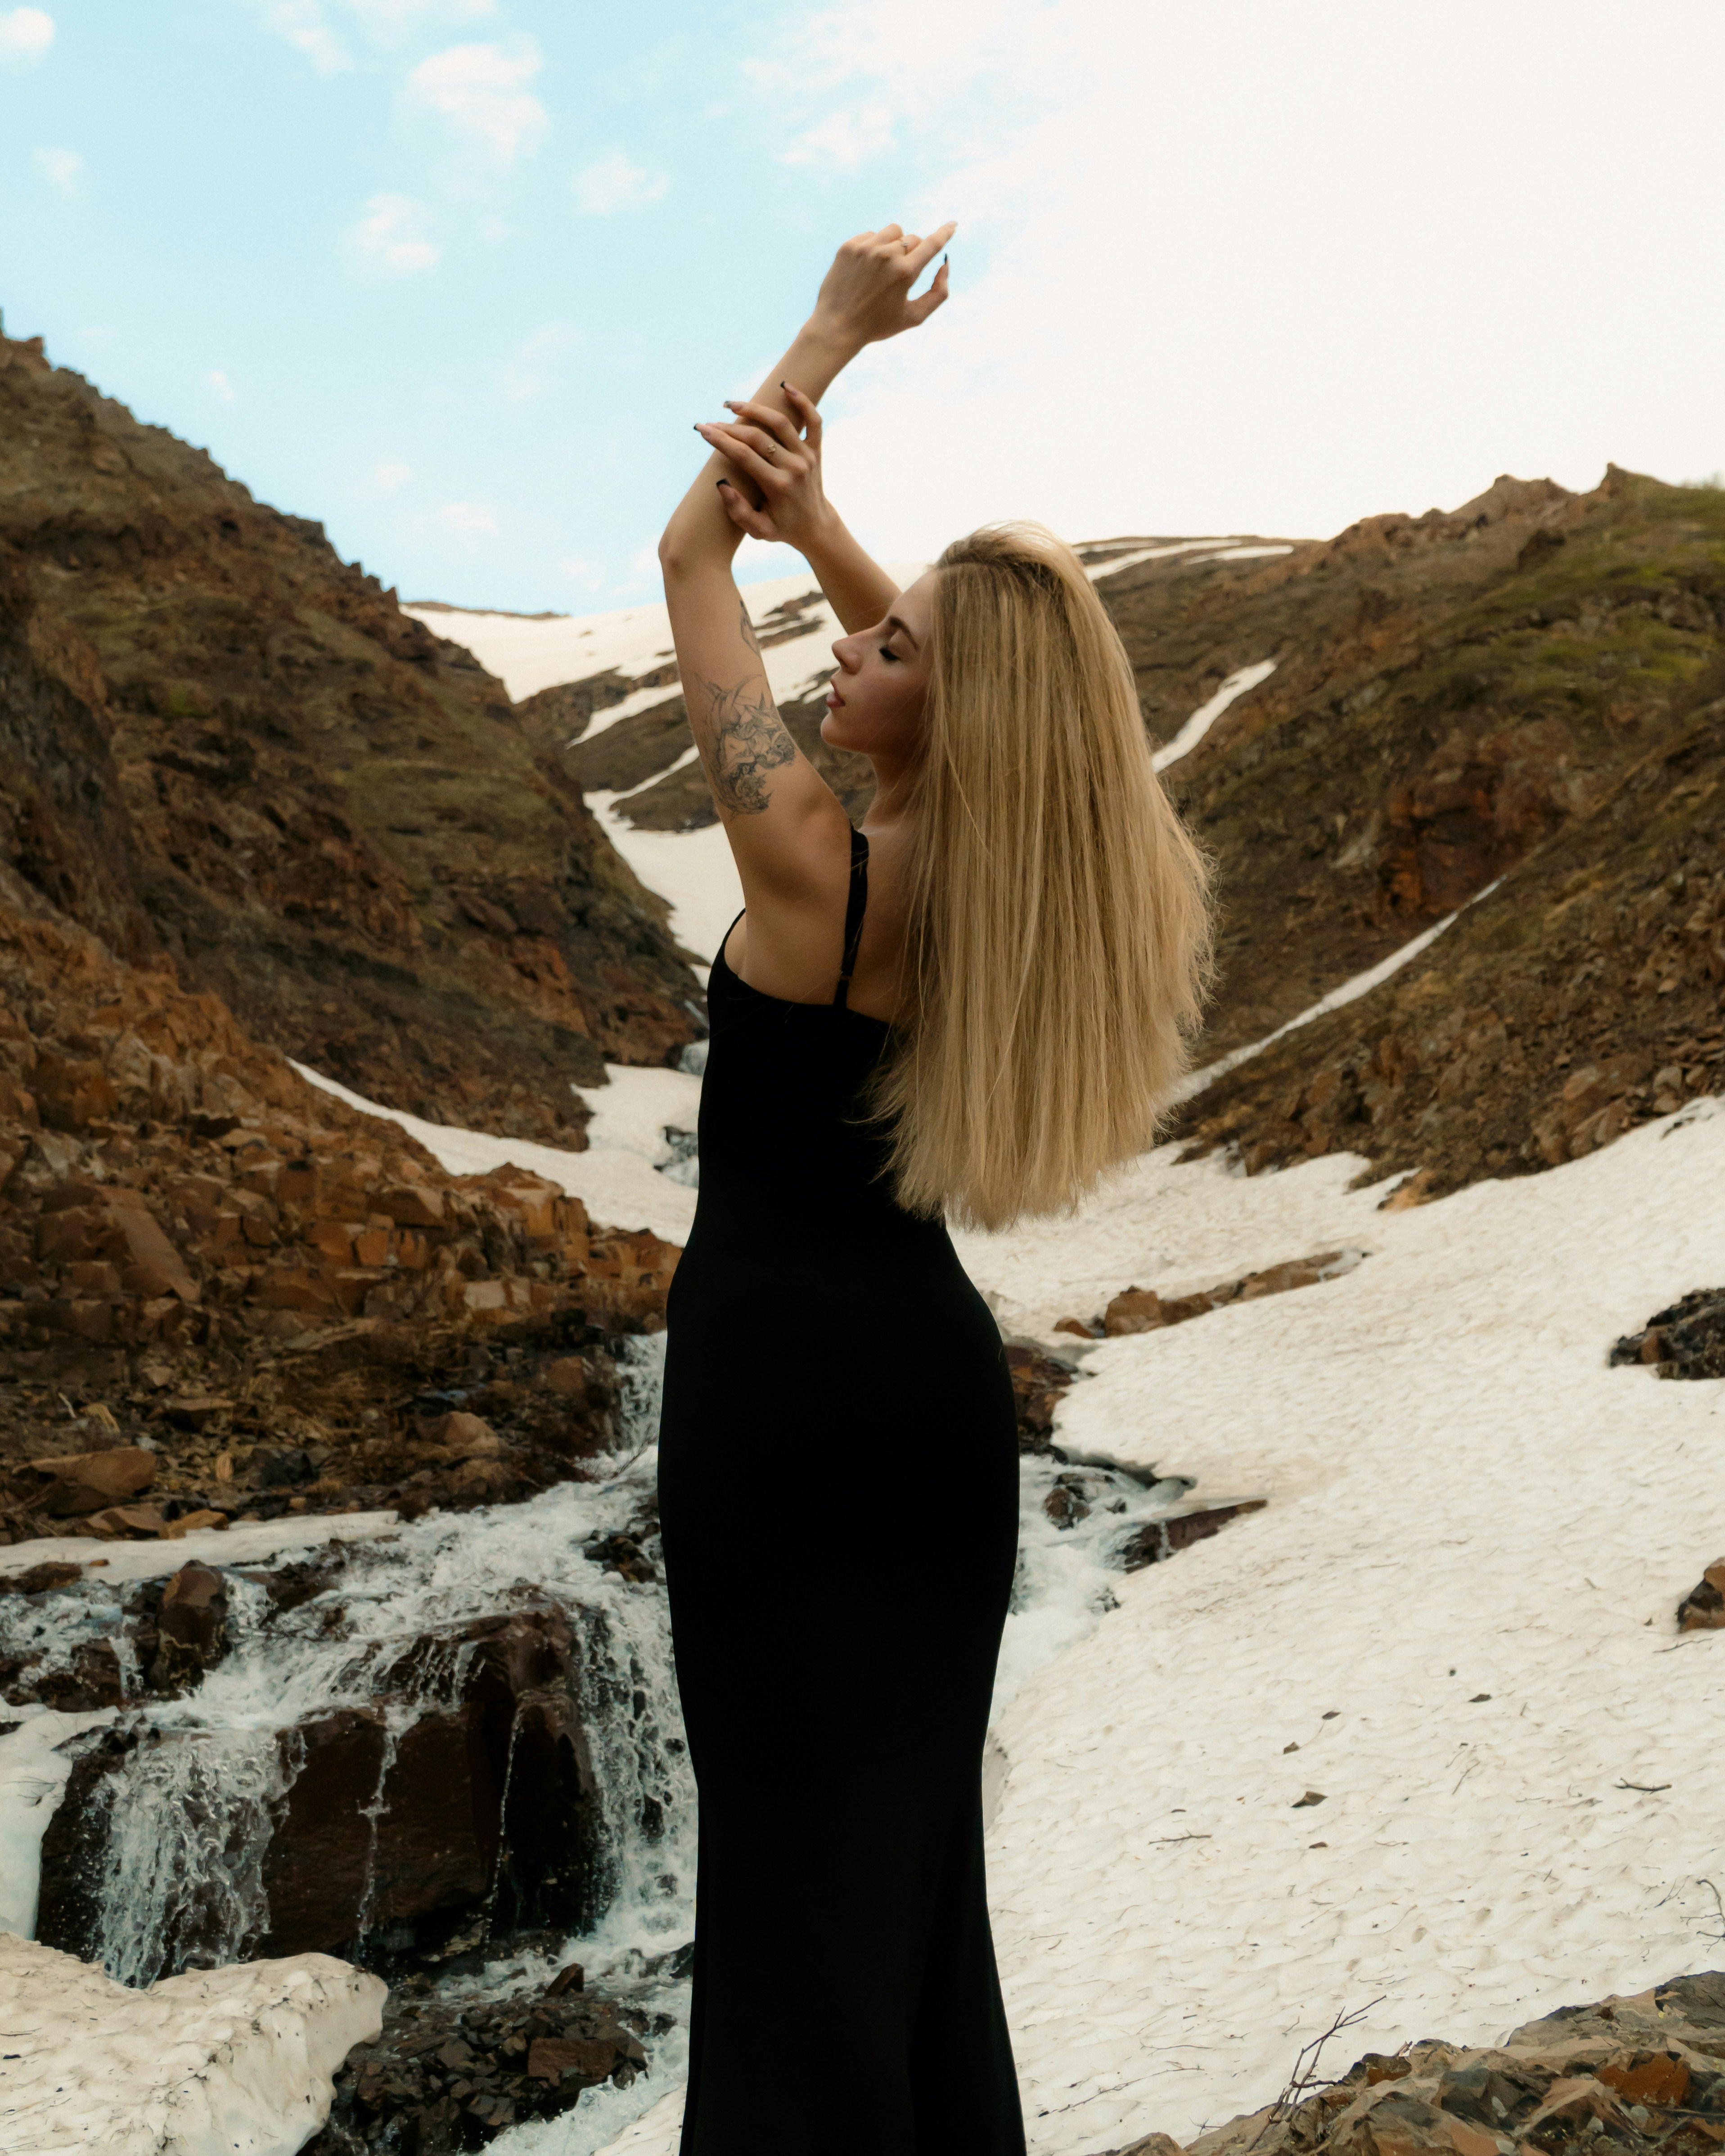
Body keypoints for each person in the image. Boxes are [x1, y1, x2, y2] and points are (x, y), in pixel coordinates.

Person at [653, 222, 1212, 2154]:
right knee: (899, 1879)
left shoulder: (814, 859)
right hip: (922, 1405)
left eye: (883, 650)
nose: (849, 640)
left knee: (788, 1879)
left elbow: (677, 558)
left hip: (774, 1405)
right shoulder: (993, 883)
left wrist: (825, 335)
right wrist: (842, 540)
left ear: (935, 710)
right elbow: (1002, 715)